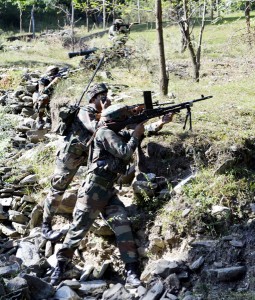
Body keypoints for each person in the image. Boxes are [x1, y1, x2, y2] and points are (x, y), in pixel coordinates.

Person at [50, 104, 174, 287]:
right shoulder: (104, 133)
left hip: (108, 191)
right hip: (92, 192)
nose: (126, 122)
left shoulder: (114, 133)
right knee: (78, 230)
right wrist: (136, 135)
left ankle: (131, 272)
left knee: (122, 225)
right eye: (124, 119)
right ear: (113, 121)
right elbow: (125, 152)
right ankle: (60, 268)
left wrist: (160, 123)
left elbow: (140, 132)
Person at [41, 83, 111, 241]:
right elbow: (94, 128)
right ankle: (45, 227)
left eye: (107, 96)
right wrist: (106, 112)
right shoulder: (85, 111)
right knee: (58, 188)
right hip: (69, 155)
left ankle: (97, 214)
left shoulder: (98, 113)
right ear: (93, 98)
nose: (106, 99)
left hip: (85, 154)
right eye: (102, 97)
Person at [33, 65, 62, 130]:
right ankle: (40, 120)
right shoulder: (43, 79)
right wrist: (53, 82)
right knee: (44, 97)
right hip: (44, 100)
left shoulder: (61, 77)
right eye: (53, 71)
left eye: (56, 71)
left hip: (56, 97)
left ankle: (50, 120)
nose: (55, 73)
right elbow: (42, 92)